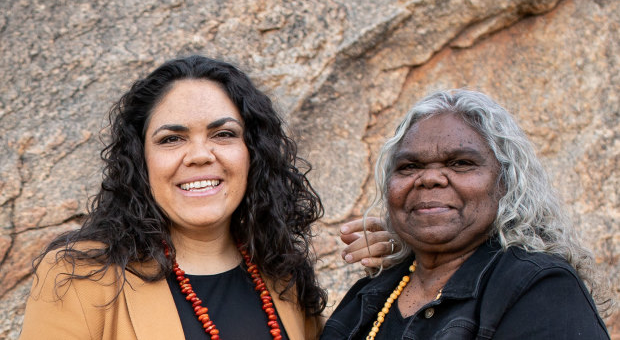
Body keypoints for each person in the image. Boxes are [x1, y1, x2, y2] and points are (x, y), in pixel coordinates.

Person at [21, 55, 356, 340]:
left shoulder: (283, 275)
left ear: (252, 153)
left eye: (223, 134)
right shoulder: (78, 276)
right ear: (141, 159)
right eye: (172, 139)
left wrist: (402, 264)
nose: (199, 155)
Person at [321, 89, 611, 339]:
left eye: (460, 163)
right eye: (409, 166)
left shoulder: (539, 287)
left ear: (506, 183)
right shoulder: (371, 294)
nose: (429, 178)